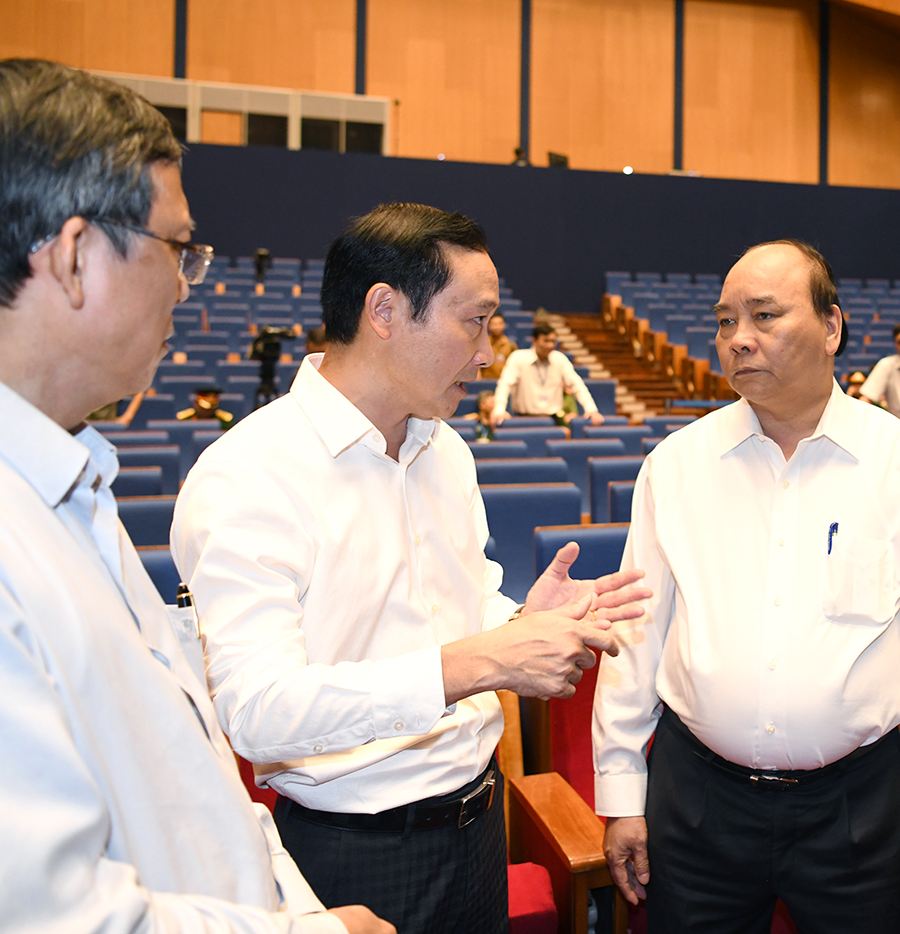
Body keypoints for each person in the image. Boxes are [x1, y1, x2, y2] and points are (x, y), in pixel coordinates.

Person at [172, 202, 650, 934]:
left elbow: (463, 605)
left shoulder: (444, 448)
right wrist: (476, 664)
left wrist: (524, 619)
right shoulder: (249, 474)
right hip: (355, 852)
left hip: (480, 824)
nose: (489, 352)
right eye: (474, 321)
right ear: (386, 310)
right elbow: (257, 713)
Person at [0, 58, 389, 933]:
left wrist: (292, 907)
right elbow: (48, 913)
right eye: (177, 249)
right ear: (72, 257)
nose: (187, 282)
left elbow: (202, 776)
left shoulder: (72, 488)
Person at [593, 239, 900, 933]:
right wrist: (623, 791)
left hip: (858, 809)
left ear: (831, 327)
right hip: (698, 805)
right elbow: (636, 634)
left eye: (764, 316)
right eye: (724, 321)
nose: (738, 339)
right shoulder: (677, 467)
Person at [494, 322, 603, 425]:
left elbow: (576, 385)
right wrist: (499, 410)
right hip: (523, 418)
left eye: (553, 341)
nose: (550, 345)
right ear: (534, 341)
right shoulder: (518, 358)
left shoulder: (560, 359)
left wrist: (591, 409)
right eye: (546, 341)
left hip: (553, 419)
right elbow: (505, 384)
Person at [478, 312, 515, 379]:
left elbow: (515, 366)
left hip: (504, 381)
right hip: (486, 381)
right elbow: (478, 367)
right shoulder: (482, 345)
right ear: (489, 326)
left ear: (504, 325)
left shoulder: (511, 345)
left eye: (500, 324)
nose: (497, 327)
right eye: (494, 324)